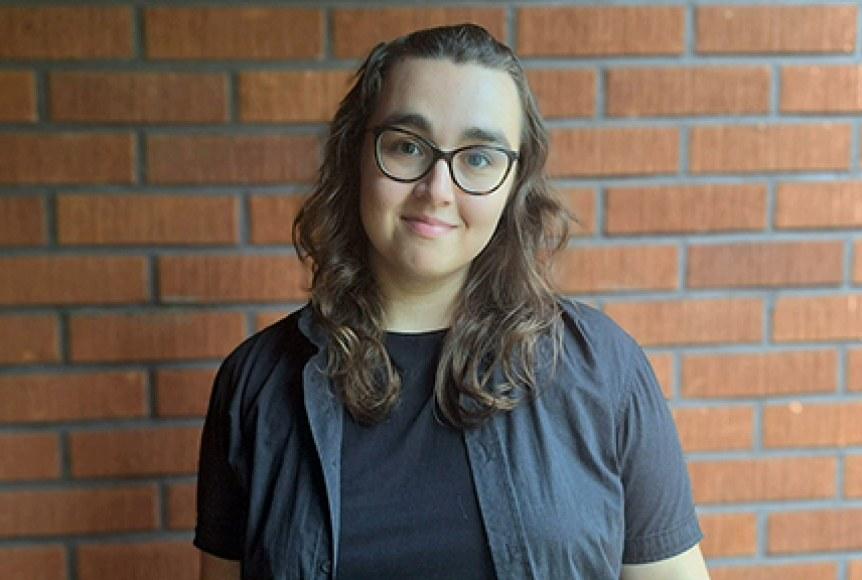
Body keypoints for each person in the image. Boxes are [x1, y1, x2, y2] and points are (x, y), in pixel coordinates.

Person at [195, 24, 710, 580]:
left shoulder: (605, 372)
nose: (438, 187)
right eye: (407, 146)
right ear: (356, 157)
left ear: (515, 184)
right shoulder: (256, 385)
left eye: (479, 158)